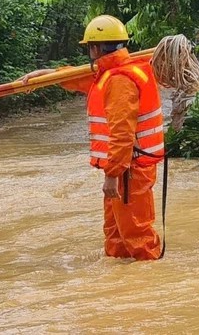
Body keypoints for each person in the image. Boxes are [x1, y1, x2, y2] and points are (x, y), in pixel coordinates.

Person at [22, 15, 164, 259]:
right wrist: (47, 75)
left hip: (128, 170)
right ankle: (120, 285)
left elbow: (122, 134)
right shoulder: (112, 72)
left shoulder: (119, 80)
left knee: (138, 238)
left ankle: (150, 285)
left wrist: (111, 175)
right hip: (125, 169)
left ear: (96, 48)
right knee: (116, 236)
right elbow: (79, 77)